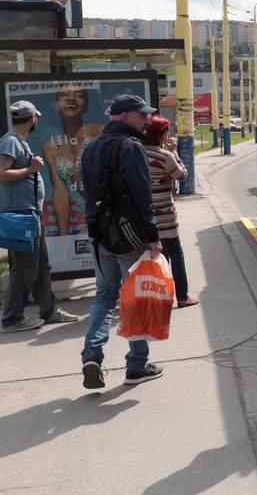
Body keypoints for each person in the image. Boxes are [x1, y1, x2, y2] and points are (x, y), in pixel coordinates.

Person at [79, 94, 163, 388]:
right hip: (130, 236)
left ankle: (92, 353)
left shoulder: (90, 148)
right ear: (126, 116)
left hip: (99, 233)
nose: (147, 120)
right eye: (143, 115)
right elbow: (143, 196)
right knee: (135, 298)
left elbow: (87, 192)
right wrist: (153, 236)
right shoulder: (130, 147)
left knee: (104, 296)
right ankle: (137, 366)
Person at [0, 100, 79, 333]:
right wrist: (31, 169)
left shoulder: (15, 141)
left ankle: (48, 309)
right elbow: (2, 174)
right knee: (25, 268)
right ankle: (13, 318)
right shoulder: (11, 141)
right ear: (33, 118)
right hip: (20, 215)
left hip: (29, 214)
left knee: (41, 265)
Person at [143, 115, 199, 308]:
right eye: (167, 131)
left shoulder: (138, 153)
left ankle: (159, 296)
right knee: (175, 252)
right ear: (162, 134)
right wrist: (173, 153)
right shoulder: (165, 156)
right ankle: (182, 296)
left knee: (156, 254)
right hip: (165, 214)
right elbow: (182, 175)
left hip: (145, 214)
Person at [41, 83, 104, 235]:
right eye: (64, 94)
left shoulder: (98, 132)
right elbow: (60, 192)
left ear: (86, 105)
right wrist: (64, 238)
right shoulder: (50, 145)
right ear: (56, 104)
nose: (71, 98)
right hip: (85, 217)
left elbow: (111, 181)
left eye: (79, 95)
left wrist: (95, 224)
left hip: (106, 213)